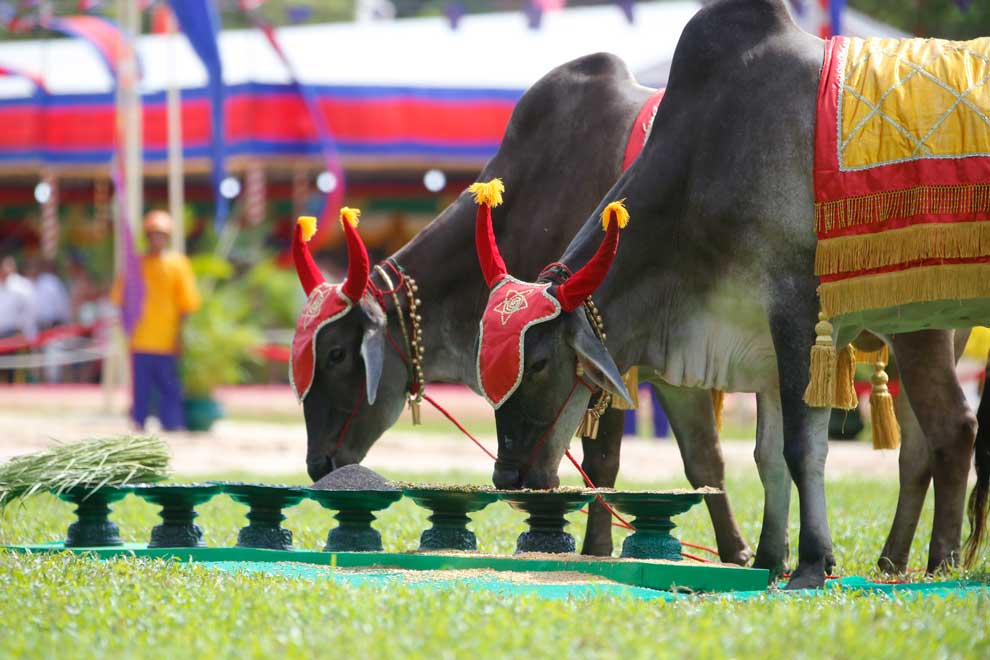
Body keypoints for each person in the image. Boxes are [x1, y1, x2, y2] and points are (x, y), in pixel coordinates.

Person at [112, 210, 201, 431]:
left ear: (168, 237)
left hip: (167, 340)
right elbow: (120, 299)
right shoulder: (135, 266)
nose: (156, 239)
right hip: (140, 339)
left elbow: (187, 304)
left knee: (169, 388)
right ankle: (138, 424)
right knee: (140, 389)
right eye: (153, 234)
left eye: (161, 234)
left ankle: (173, 426)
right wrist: (126, 327)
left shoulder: (178, 264)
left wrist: (180, 336)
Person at [26, 258, 72, 382]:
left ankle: (57, 391)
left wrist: (64, 326)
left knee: (54, 366)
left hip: (53, 327)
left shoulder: (51, 282)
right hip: (36, 330)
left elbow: (62, 306)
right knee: (37, 365)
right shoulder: (26, 285)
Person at [0, 255, 37, 383]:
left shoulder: (21, 286)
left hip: (14, 334)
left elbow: (29, 312)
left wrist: (27, 333)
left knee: (13, 371)